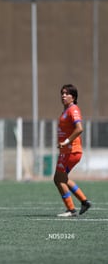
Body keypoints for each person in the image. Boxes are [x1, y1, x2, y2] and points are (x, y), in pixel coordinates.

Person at [54, 84, 91, 217]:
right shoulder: (65, 110)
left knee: (59, 179)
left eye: (67, 93)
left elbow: (79, 128)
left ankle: (71, 210)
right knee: (62, 178)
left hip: (72, 151)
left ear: (73, 97)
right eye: (62, 93)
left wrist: (66, 142)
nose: (63, 95)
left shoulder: (73, 109)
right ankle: (84, 201)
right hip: (66, 151)